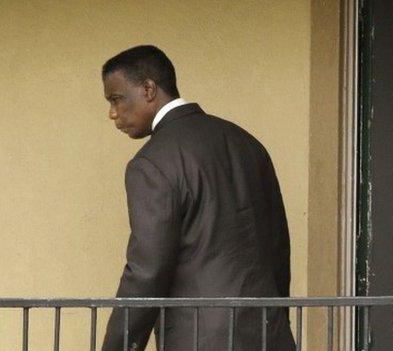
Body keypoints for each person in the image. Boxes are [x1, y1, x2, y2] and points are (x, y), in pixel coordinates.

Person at [100, 45, 295, 351]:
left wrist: (120, 345)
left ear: (149, 89)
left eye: (116, 99)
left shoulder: (151, 163)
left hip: (200, 339)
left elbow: (148, 269)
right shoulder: (248, 144)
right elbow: (277, 246)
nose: (112, 113)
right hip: (269, 334)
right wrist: (275, 319)